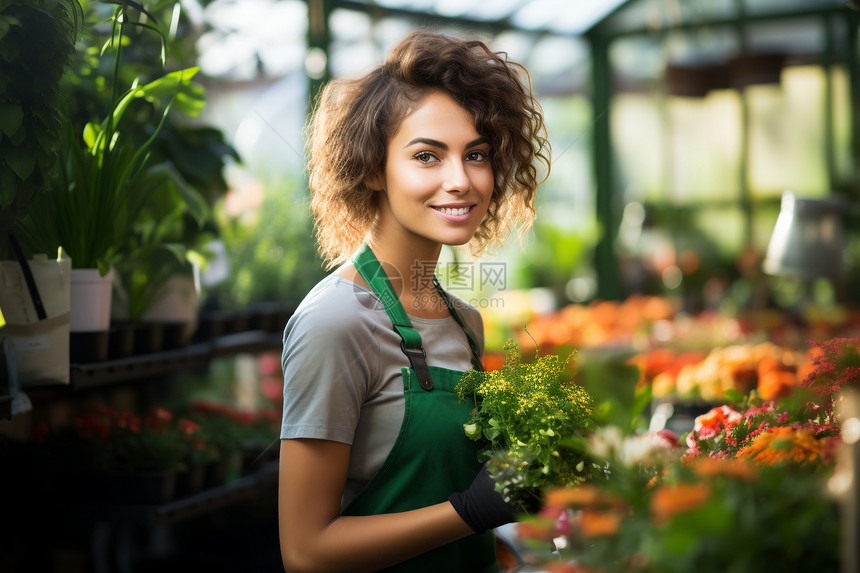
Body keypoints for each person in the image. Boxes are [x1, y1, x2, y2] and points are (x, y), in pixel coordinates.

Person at [278, 30, 550, 573]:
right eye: (427, 156)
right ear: (373, 169)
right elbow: (306, 552)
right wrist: (470, 512)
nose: (461, 180)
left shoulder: (464, 320)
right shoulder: (337, 323)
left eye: (476, 155)